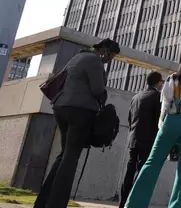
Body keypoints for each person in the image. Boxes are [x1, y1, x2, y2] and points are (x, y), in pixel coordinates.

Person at [35, 39, 120, 208]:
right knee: (70, 160)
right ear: (103, 49)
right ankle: (56, 204)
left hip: (61, 108)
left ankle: (43, 202)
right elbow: (97, 90)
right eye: (110, 55)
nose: (110, 59)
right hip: (80, 111)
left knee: (64, 156)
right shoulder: (95, 61)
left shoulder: (77, 58)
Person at [125, 54, 181, 208]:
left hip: (172, 121)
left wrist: (163, 124)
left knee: (152, 162)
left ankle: (135, 204)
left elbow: (166, 104)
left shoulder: (173, 79)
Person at [119, 71, 164, 208]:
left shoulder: (136, 96)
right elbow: (160, 121)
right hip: (148, 139)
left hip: (133, 138)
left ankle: (123, 202)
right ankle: (134, 202)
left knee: (130, 170)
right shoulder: (157, 97)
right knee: (142, 171)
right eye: (162, 82)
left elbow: (130, 118)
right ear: (158, 82)